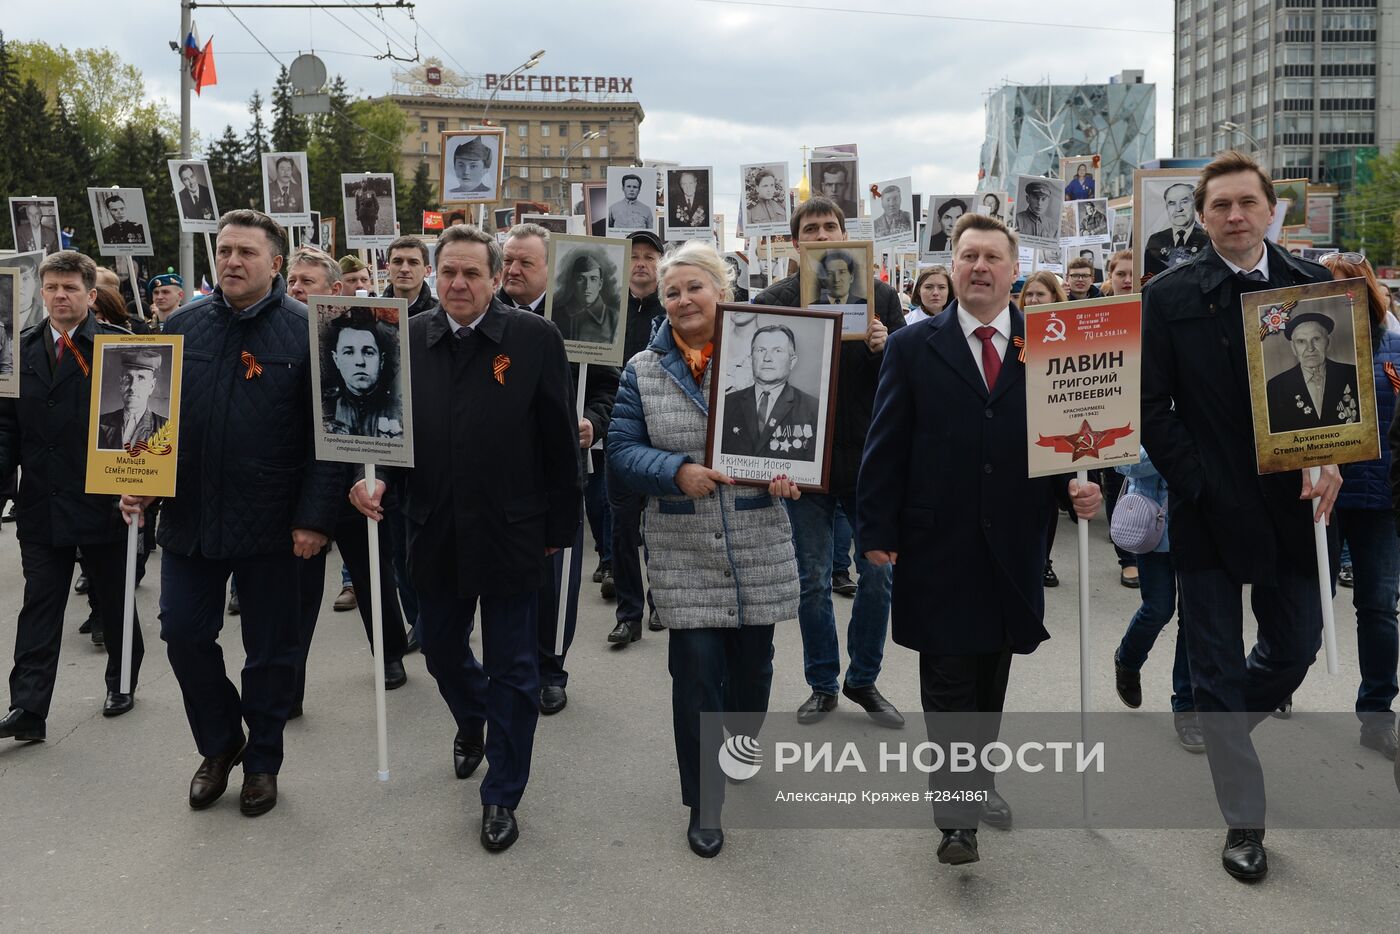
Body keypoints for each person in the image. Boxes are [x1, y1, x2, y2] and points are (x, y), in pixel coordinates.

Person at [858, 211, 1101, 867]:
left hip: (1017, 540)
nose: (981, 267)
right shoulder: (913, 347)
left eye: (994, 257)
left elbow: (1065, 440)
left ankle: (977, 778)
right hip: (937, 541)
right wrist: (875, 528)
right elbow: (886, 444)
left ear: (1014, 270)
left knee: (992, 673)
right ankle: (956, 816)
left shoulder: (1048, 344)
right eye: (969, 256)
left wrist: (1075, 490)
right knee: (947, 675)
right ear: (953, 264)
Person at [349, 224, 581, 853]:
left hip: (513, 532)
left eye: (472, 274)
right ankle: (475, 718)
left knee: (514, 668)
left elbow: (559, 442)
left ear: (495, 277)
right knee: (441, 648)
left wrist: (560, 528)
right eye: (448, 271)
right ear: (432, 273)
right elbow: (386, 433)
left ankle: (502, 791)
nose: (457, 284)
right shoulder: (408, 338)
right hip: (434, 528)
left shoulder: (534, 340)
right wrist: (373, 484)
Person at [1140, 150, 1338, 881]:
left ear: (1268, 209)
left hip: (1293, 507)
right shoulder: (1168, 296)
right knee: (1216, 669)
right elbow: (1152, 409)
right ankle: (1244, 824)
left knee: (1295, 650)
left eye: (1245, 203)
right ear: (1201, 215)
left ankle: (1225, 731)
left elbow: (1339, 398)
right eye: (1218, 205)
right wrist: (1201, 486)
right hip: (1207, 510)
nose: (1233, 216)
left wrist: (1335, 459)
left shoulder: (1311, 284)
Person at [119, 209, 340, 819]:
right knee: (183, 634)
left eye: (247, 252)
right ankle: (220, 746)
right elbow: (146, 417)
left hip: (275, 524)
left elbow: (332, 437)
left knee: (271, 651)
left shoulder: (307, 331)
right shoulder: (182, 324)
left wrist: (316, 519)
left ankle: (263, 762)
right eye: (224, 251)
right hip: (191, 516)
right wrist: (136, 482)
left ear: (277, 262)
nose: (233, 262)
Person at [607, 238, 801, 858]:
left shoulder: (765, 356)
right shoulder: (642, 369)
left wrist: (790, 471)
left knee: (752, 670)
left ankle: (741, 741)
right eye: (672, 291)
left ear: (722, 290)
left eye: (695, 287)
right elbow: (620, 453)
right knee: (694, 678)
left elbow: (797, 435)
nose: (684, 299)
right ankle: (703, 803)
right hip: (683, 545)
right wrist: (676, 470)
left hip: (756, 538)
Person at [753, 196, 906, 728]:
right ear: (795, 243)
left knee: (877, 575)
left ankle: (863, 679)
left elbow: (905, 383)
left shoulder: (881, 296)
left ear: (846, 233)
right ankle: (822, 683)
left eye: (831, 226)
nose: (821, 235)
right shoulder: (776, 299)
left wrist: (888, 346)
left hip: (869, 460)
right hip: (802, 462)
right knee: (812, 579)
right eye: (811, 229)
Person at [0, 250, 150, 742]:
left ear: (90, 294)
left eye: (69, 288)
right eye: (51, 288)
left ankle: (122, 679)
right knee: (40, 603)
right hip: (41, 502)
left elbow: (143, 428)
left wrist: (139, 489)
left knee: (112, 596)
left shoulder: (117, 347)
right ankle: (27, 707)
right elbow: (4, 429)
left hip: (102, 500)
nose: (60, 296)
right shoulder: (18, 350)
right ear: (41, 294)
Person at [498, 222, 620, 706]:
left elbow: (608, 388)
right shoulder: (482, 313)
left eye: (525, 262)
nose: (512, 269)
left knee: (555, 580)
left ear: (550, 269)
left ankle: (551, 670)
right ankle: (508, 665)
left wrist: (592, 421)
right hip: (496, 472)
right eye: (508, 259)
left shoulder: (576, 319)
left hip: (558, 473)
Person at [284, 248, 410, 711]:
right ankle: (290, 678)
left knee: (373, 574)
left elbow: (379, 418)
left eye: (307, 281)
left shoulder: (359, 337)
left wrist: (367, 475)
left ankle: (390, 653)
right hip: (301, 485)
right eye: (292, 281)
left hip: (360, 479)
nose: (296, 288)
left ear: (335, 290)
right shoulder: (282, 335)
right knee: (296, 592)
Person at [1323, 251, 1400, 761]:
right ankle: (1278, 677)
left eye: (1347, 287)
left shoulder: (1395, 345)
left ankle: (1376, 714)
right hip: (1317, 497)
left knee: (1378, 608)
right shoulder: (1297, 343)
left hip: (1380, 500)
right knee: (1304, 603)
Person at [1111, 448, 1202, 752]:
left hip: (1199, 523)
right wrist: (1173, 442)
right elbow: (1123, 463)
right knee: (1158, 609)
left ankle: (1187, 708)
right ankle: (1127, 660)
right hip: (1152, 523)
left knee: (1192, 617)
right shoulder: (1147, 403)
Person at [606, 230, 667, 643]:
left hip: (664, 428)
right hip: (620, 427)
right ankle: (629, 612)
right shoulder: (608, 308)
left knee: (662, 521)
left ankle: (661, 598)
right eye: (634, 256)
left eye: (649, 256)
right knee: (623, 523)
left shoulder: (672, 307)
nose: (641, 263)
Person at [719, 324, 820, 460]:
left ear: (792, 361)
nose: (767, 358)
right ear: (750, 359)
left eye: (777, 351)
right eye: (761, 350)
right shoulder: (725, 405)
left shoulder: (814, 409)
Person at [1263, 311, 1360, 432]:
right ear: (1293, 348)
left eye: (1316, 339)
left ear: (1328, 342)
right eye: (1301, 341)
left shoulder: (1354, 374)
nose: (1310, 348)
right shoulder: (1276, 386)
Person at [96, 349, 168, 451]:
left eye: (141, 378)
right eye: (128, 378)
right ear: (121, 383)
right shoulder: (99, 422)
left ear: (151, 386)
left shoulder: (165, 427)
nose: (133, 387)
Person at [553, 245, 621, 344]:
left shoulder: (615, 318)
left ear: (600, 284)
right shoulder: (555, 315)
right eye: (581, 279)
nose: (587, 286)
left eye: (593, 279)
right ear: (573, 282)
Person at [1143, 181, 1209, 279]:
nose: (1178, 209)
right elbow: (1146, 279)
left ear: (1195, 205)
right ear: (1167, 208)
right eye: (1172, 203)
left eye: (1184, 202)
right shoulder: (1155, 240)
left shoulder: (1208, 239)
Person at [381, 235, 436, 317]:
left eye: (413, 262)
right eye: (397, 262)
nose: (404, 269)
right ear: (387, 268)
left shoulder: (441, 314)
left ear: (427, 271)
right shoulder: (374, 310)